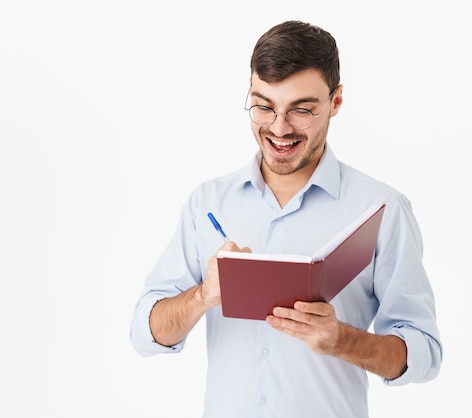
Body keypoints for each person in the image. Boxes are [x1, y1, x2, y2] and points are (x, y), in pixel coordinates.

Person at [130, 20, 442, 417]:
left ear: (336, 102)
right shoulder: (207, 204)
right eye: (264, 106)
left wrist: (340, 340)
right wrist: (203, 296)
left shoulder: (381, 210)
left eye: (302, 110)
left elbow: (424, 351)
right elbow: (145, 331)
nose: (279, 128)